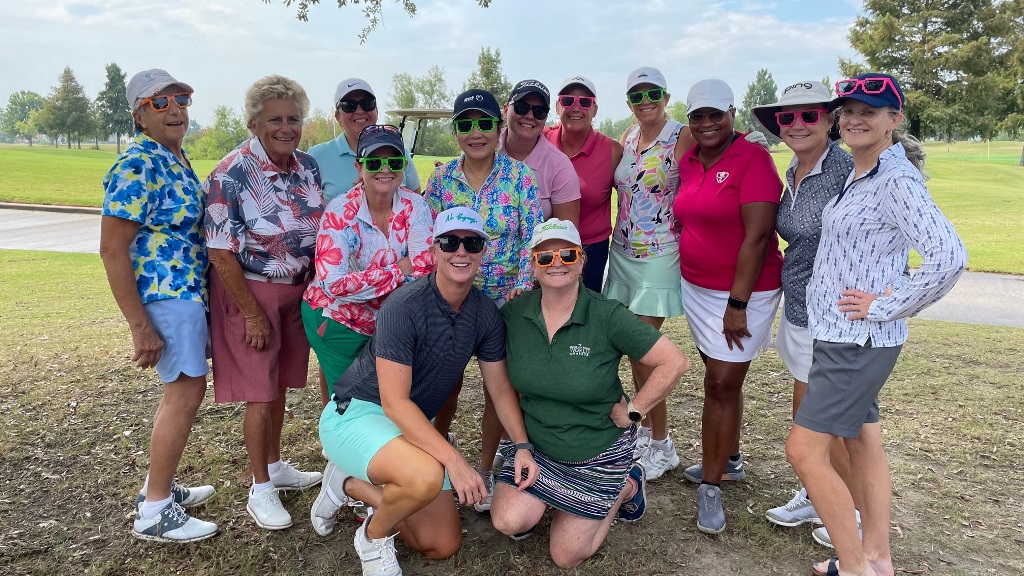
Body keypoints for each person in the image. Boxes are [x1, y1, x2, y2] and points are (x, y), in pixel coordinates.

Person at [786, 73, 966, 576]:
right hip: (840, 333)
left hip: (856, 338)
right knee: (863, 442)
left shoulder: (896, 179)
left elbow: (949, 256)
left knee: (802, 450)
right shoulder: (861, 171)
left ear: (894, 119)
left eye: (870, 110)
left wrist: (887, 304)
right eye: (848, 111)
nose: (854, 119)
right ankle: (876, 558)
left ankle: (857, 567)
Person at [317, 207, 539, 576]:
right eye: (450, 242)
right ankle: (373, 539)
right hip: (357, 414)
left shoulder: (484, 313)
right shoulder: (404, 306)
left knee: (442, 544)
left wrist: (521, 446)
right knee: (425, 476)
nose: (461, 251)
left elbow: (500, 390)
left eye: (472, 243)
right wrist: (454, 459)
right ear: (434, 251)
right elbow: (394, 402)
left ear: (484, 252)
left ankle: (350, 484)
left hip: (408, 423)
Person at [490, 218, 689, 569]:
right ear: (532, 264)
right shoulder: (513, 313)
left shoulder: (606, 314)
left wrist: (634, 411)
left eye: (567, 255)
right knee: (508, 521)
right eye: (545, 257)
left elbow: (673, 363)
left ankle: (627, 485)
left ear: (582, 261)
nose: (557, 264)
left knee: (566, 556)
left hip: (596, 448)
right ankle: (554, 498)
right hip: (537, 447)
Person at [100, 68, 217, 543]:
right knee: (184, 394)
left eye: (182, 99)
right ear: (138, 115)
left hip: (187, 294)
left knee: (186, 391)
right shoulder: (138, 163)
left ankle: (159, 487)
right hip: (167, 296)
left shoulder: (173, 156)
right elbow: (112, 249)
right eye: (160, 102)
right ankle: (154, 510)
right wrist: (138, 325)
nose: (175, 109)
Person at [203, 75, 324, 531]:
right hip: (251, 292)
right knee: (258, 393)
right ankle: (260, 488)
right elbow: (219, 250)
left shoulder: (307, 166)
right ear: (254, 122)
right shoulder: (230, 172)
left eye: (293, 118)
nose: (286, 127)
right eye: (275, 119)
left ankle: (274, 465)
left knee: (278, 387)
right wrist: (252, 312)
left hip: (298, 291)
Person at [673, 78, 784, 534]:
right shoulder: (689, 160)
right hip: (697, 289)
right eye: (697, 116)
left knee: (720, 382)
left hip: (745, 293)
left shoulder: (752, 159)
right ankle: (730, 457)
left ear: (732, 113)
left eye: (715, 114)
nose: (706, 123)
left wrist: (737, 303)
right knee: (720, 379)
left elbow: (758, 237)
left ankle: (712, 486)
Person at [751, 82, 859, 542]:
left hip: (837, 312)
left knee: (831, 423)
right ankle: (816, 494)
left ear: (829, 120)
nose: (796, 125)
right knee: (806, 410)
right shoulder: (794, 167)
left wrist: (885, 295)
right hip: (797, 303)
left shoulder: (849, 167)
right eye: (787, 118)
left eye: (808, 116)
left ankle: (851, 514)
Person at [424, 88, 541, 509]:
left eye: (485, 123)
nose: (476, 133)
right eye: (466, 124)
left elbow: (533, 247)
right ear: (456, 130)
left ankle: (489, 471)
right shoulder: (439, 181)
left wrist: (511, 299)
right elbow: (429, 244)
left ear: (499, 126)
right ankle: (438, 458)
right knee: (444, 384)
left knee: (500, 391)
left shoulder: (521, 179)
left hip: (505, 304)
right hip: (450, 304)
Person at [306, 79, 424, 405]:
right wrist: (402, 268)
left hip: (387, 313)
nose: (385, 169)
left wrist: (404, 266)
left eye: (393, 161)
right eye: (374, 162)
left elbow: (424, 258)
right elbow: (335, 283)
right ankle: (338, 443)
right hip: (338, 308)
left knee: (387, 392)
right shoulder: (326, 179)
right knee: (346, 391)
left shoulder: (415, 204)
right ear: (359, 166)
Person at [605, 66, 693, 481]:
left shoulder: (682, 134)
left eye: (652, 93)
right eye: (637, 95)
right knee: (626, 346)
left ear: (666, 95)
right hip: (620, 252)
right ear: (628, 102)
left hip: (660, 253)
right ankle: (643, 433)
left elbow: (710, 167)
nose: (645, 102)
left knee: (645, 350)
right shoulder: (628, 136)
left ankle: (662, 444)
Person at [544, 75, 624, 293]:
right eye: (568, 101)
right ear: (557, 106)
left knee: (585, 313)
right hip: (543, 244)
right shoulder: (540, 139)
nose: (576, 107)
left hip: (591, 248)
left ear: (595, 109)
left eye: (585, 102)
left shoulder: (612, 151)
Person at [308, 78, 422, 204]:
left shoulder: (400, 154)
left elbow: (415, 201)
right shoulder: (316, 157)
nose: (359, 111)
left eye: (367, 103)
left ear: (376, 111)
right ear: (337, 117)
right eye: (349, 105)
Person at [498, 79, 581, 225]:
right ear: (505, 110)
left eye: (539, 111)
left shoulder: (559, 166)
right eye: (521, 107)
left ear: (545, 118)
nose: (530, 116)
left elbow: (566, 237)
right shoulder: (483, 150)